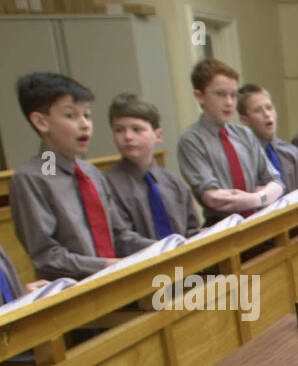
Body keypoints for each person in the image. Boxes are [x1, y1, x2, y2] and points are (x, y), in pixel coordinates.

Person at [10, 72, 154, 280]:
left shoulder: (91, 172)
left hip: (117, 282)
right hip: (74, 295)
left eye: (87, 115)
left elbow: (119, 235)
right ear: (41, 122)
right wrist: (106, 265)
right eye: (71, 115)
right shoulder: (33, 178)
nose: (85, 124)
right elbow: (46, 256)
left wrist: (160, 248)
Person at [177, 59, 284, 223]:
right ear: (199, 96)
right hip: (223, 227)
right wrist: (261, 196)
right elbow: (213, 197)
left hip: (259, 220)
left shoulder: (245, 134)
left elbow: (277, 182)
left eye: (233, 95)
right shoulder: (192, 140)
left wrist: (255, 199)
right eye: (220, 94)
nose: (229, 102)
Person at [104, 93, 202, 239]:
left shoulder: (174, 183)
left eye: (136, 129)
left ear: (158, 135)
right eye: (119, 130)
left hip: (180, 261)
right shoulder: (108, 185)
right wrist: (165, 250)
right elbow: (121, 239)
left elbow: (191, 229)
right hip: (143, 260)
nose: (127, 136)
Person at [237, 83, 298, 192]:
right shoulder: (244, 158)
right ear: (245, 120)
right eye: (257, 110)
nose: (267, 114)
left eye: (269, 108)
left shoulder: (291, 153)